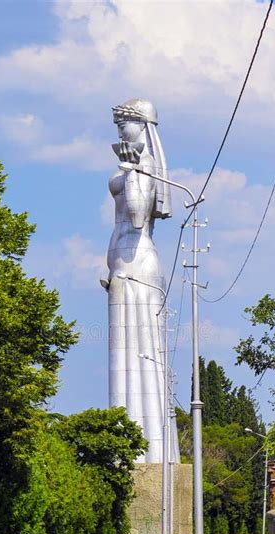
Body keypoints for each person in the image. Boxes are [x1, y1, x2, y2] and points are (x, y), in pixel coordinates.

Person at [103, 98, 171, 463]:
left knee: (142, 358)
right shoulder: (134, 166)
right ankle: (124, 450)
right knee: (124, 361)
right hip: (122, 269)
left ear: (143, 128)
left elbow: (136, 216)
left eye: (124, 125)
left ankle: (146, 455)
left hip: (137, 265)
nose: (119, 132)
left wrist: (132, 171)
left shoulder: (144, 169)